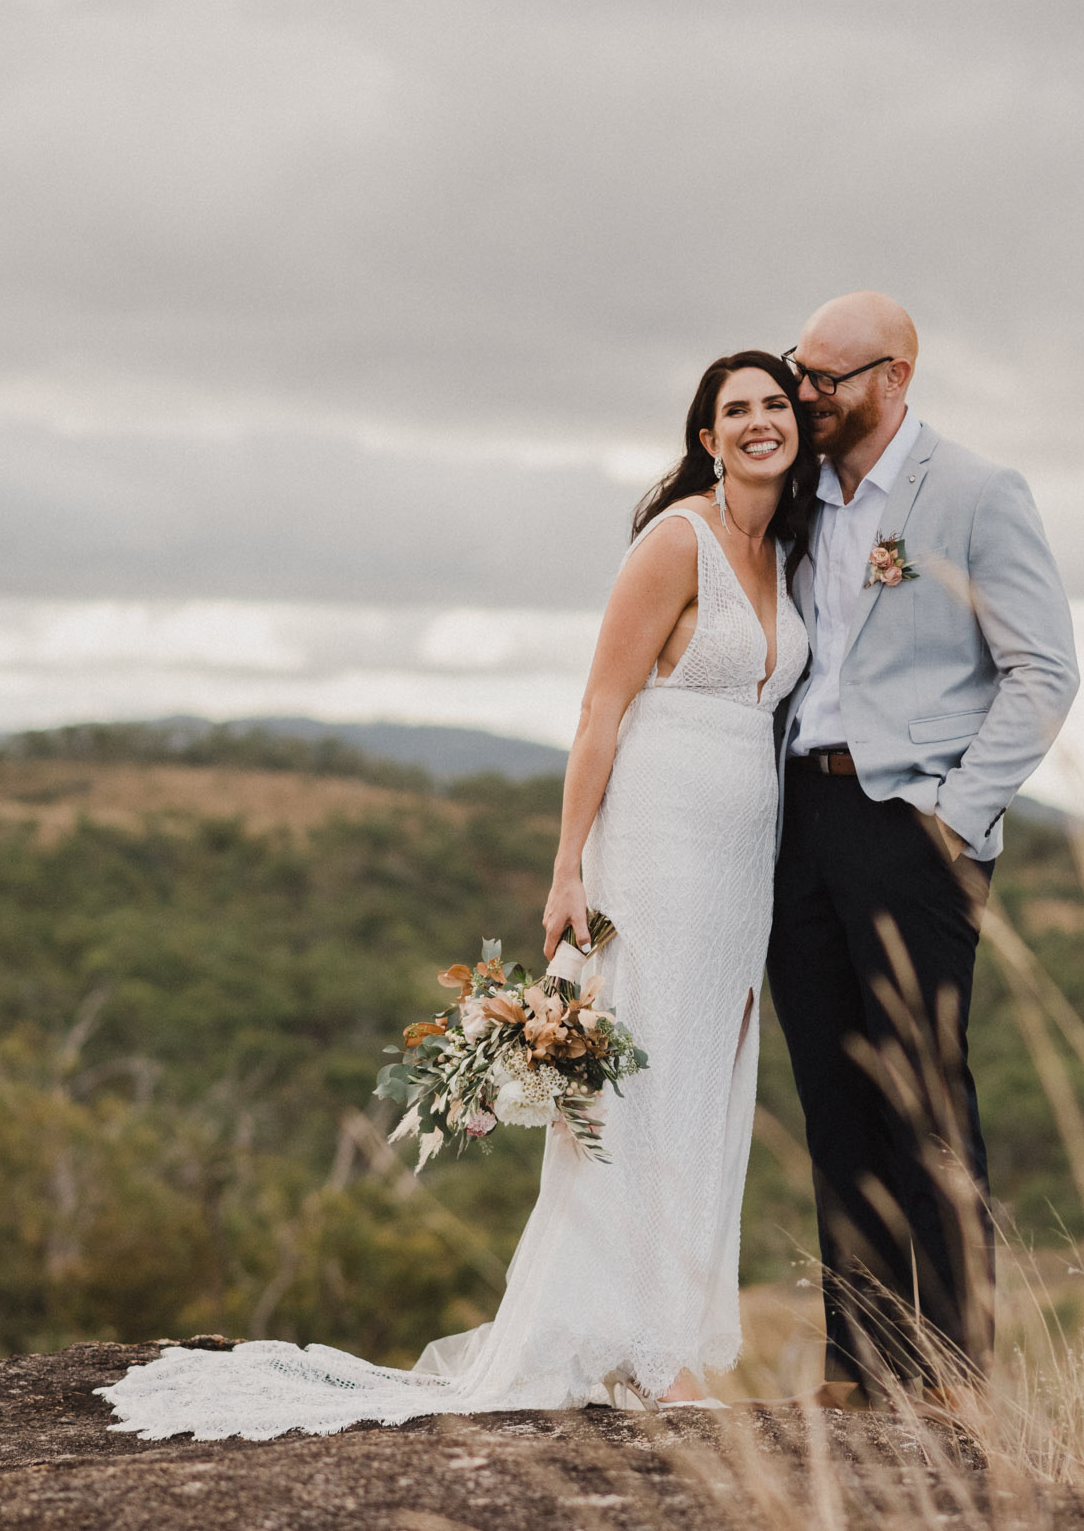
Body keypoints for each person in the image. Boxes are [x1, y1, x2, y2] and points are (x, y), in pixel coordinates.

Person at [95, 350, 815, 1438]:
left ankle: (666, 1330)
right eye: (736, 411)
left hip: (739, 863)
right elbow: (599, 709)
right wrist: (568, 866)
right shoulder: (678, 542)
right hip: (657, 846)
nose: (760, 422)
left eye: (774, 404)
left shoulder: (785, 551)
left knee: (710, 1081)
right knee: (643, 1079)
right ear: (706, 439)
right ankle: (641, 1349)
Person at [766, 291, 1078, 1410]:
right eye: (800, 373)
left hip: (911, 826)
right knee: (833, 1097)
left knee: (926, 1103)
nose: (807, 395)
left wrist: (956, 817)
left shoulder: (980, 494)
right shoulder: (797, 489)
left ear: (895, 378)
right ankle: (855, 1368)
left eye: (827, 379)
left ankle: (949, 1377)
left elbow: (1044, 670)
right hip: (797, 823)